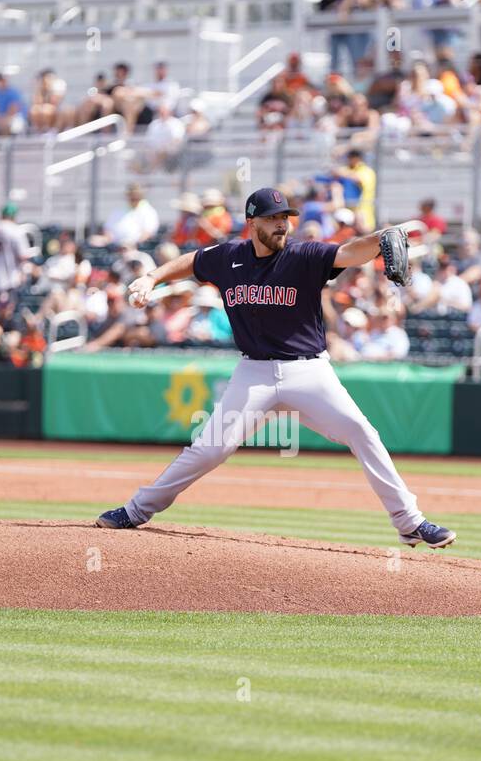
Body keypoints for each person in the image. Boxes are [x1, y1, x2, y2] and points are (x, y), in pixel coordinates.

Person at [94, 186, 455, 549]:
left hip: (309, 372)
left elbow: (347, 252)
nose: (282, 225)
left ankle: (410, 522)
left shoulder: (305, 255)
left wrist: (378, 240)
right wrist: (151, 277)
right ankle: (137, 510)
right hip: (254, 374)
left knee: (361, 432)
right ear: (252, 222)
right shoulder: (229, 256)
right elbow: (193, 261)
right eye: (273, 218)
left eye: (286, 218)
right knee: (209, 449)